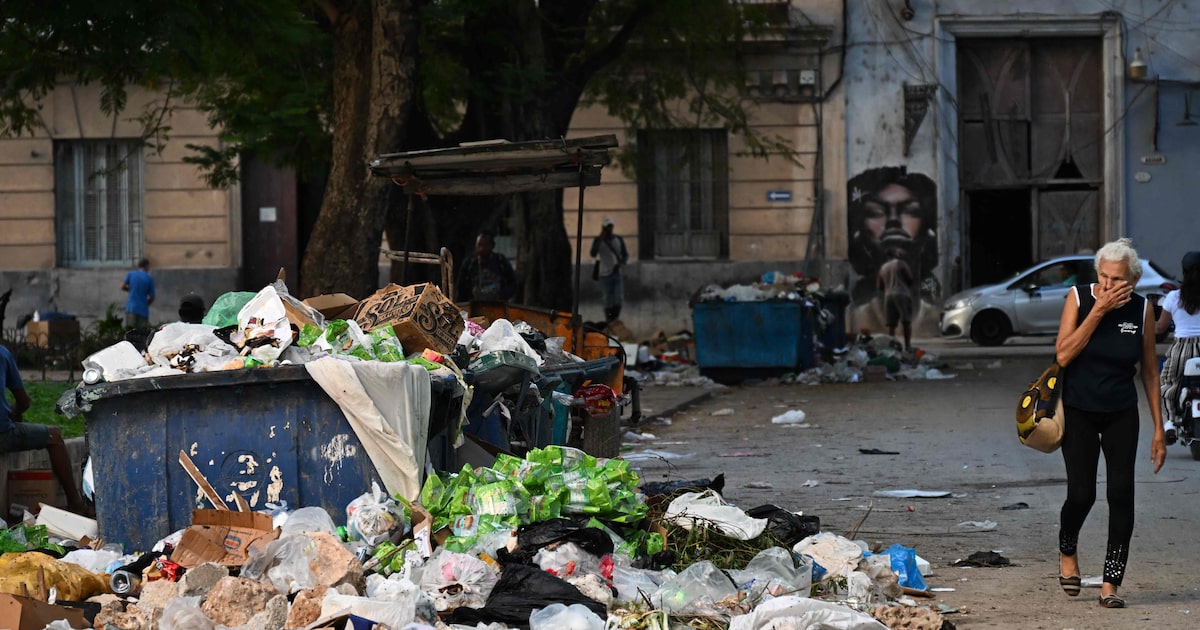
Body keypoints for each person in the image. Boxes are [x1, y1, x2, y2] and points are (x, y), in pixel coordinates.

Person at [1054, 238, 1165, 609]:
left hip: (1121, 412)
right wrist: (1098, 311)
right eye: (1103, 276)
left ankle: (1110, 584)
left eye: (1116, 279)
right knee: (1081, 493)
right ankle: (1067, 548)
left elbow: (1150, 373)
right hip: (1079, 410)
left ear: (1132, 280)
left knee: (1121, 495)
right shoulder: (1080, 297)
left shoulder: (1142, 310)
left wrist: (1160, 430)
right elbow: (1064, 353)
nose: (1108, 284)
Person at [0, 344, 89, 515]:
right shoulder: (3, 353)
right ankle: (75, 503)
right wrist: (14, 413)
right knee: (54, 436)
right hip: (2, 433)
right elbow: (23, 401)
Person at [1155, 251, 1200, 444]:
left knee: (1167, 384)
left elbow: (1160, 327)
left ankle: (1170, 424)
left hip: (1182, 349)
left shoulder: (1173, 297)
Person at [455, 231, 517, 302]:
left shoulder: (501, 262)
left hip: (497, 306)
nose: (482, 249)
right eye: (479, 245)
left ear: (492, 245)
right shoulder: (469, 264)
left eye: (485, 245)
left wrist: (501, 294)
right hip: (474, 306)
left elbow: (513, 284)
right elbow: (461, 288)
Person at [590, 217, 629, 324]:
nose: (610, 229)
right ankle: (609, 320)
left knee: (618, 299)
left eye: (611, 227)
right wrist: (600, 239)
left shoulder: (618, 239)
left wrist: (621, 263)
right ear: (604, 228)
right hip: (604, 274)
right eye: (607, 227)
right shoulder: (598, 240)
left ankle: (614, 319)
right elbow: (593, 253)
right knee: (607, 299)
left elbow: (625, 254)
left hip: (617, 272)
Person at [876, 249, 914, 351]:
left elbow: (879, 286)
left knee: (891, 324)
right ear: (895, 254)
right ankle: (908, 346)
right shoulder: (900, 263)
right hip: (902, 293)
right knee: (906, 321)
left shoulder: (883, 268)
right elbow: (910, 278)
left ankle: (891, 346)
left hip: (888, 296)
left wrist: (889, 286)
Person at [121, 258, 155, 328]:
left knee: (130, 332)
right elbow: (152, 296)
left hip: (131, 308)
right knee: (142, 334)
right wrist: (146, 304)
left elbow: (122, 286)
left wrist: (130, 290)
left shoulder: (131, 274)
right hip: (143, 309)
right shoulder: (149, 278)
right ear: (146, 266)